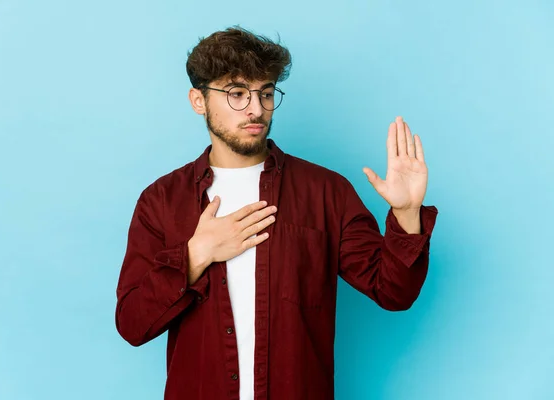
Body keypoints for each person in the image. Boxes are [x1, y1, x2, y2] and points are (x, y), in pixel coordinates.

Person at [115, 26, 438, 400]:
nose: (256, 108)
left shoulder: (326, 192)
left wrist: (407, 213)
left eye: (265, 93)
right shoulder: (161, 201)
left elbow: (393, 292)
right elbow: (133, 324)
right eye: (237, 93)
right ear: (198, 100)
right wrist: (194, 256)